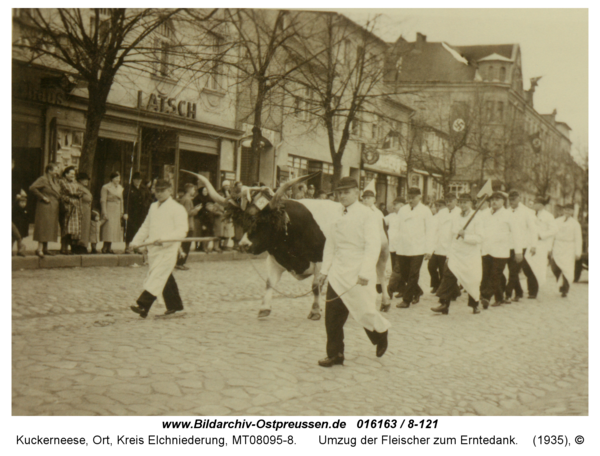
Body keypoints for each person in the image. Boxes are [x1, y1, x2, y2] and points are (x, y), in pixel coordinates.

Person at [316, 177, 391, 367]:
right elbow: (330, 245)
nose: (342, 196)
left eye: (346, 192)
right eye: (339, 192)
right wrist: (324, 271)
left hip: (359, 271)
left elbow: (372, 245)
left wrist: (365, 272)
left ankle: (381, 333)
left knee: (364, 311)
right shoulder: (336, 215)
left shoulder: (367, 215)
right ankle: (335, 354)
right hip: (338, 272)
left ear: (356, 192)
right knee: (332, 317)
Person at [129, 179, 189, 318]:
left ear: (170, 191)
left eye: (163, 190)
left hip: (168, 249)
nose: (160, 193)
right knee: (164, 277)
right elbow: (146, 226)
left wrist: (165, 239)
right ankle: (175, 306)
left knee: (157, 276)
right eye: (157, 190)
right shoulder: (153, 207)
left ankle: (142, 305)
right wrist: (135, 242)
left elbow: (182, 231)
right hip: (153, 249)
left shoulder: (177, 208)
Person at [431, 194, 483, 315]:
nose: (463, 205)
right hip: (456, 252)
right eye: (461, 202)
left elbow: (480, 238)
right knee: (448, 276)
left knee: (472, 280)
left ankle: (475, 304)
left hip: (470, 254)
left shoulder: (477, 217)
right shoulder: (456, 217)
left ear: (471, 203)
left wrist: (466, 235)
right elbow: (451, 236)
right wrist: (449, 254)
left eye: (466, 202)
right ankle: (444, 304)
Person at [480, 192, 525, 308]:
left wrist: (518, 251)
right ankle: (499, 298)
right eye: (492, 199)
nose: (494, 202)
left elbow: (517, 234)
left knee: (495, 274)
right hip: (486, 249)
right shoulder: (485, 214)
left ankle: (486, 296)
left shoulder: (509, 215)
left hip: (501, 251)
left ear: (503, 201)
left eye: (497, 199)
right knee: (486, 275)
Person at [394, 187, 434, 308]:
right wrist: (396, 244)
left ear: (419, 197)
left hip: (418, 248)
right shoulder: (402, 210)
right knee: (405, 274)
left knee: (413, 274)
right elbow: (398, 228)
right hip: (403, 247)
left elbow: (430, 231)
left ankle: (406, 300)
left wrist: (429, 249)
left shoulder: (425, 211)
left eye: (413, 198)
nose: (410, 200)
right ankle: (417, 291)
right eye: (409, 197)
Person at [29, 163, 61, 258]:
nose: (57, 172)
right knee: (43, 227)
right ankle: (39, 249)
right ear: (49, 171)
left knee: (49, 228)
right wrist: (42, 197)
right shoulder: (43, 179)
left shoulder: (55, 180)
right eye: (55, 170)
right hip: (45, 207)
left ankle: (45, 248)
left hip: (53, 207)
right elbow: (32, 188)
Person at [550, 204, 582, 298]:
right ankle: (560, 282)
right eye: (565, 210)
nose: (567, 212)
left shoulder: (575, 224)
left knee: (567, 269)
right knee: (554, 267)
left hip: (569, 247)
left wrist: (578, 252)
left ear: (572, 212)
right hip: (558, 246)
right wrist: (550, 248)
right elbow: (552, 234)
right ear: (563, 211)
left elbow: (578, 239)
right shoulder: (556, 221)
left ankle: (565, 289)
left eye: (569, 210)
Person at [428, 199, 453, 294]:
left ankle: (443, 288)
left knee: (443, 270)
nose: (437, 208)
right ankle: (435, 284)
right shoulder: (436, 217)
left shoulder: (449, 216)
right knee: (431, 266)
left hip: (445, 248)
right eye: (436, 206)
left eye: (439, 206)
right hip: (436, 247)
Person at [175, 183, 201, 270]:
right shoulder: (187, 200)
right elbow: (187, 213)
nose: (194, 191)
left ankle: (180, 262)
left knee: (184, 244)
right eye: (193, 189)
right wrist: (196, 210)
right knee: (186, 245)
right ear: (189, 190)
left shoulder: (184, 199)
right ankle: (180, 263)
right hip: (188, 225)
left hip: (185, 225)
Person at [58, 166, 83, 255]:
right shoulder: (61, 182)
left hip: (75, 207)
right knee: (65, 227)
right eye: (71, 174)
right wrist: (71, 197)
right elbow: (62, 194)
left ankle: (67, 248)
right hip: (66, 207)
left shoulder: (75, 182)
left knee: (71, 229)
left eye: (73, 174)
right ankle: (63, 247)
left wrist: (76, 195)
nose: (73, 175)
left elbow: (80, 192)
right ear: (66, 174)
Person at [384, 197, 406, 302]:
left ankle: (389, 290)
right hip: (392, 247)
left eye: (396, 204)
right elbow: (382, 222)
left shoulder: (405, 216)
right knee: (397, 270)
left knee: (397, 271)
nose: (393, 207)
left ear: (401, 206)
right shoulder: (391, 216)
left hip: (402, 248)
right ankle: (404, 290)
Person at [124, 172, 151, 253]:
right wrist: (125, 212)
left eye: (139, 180)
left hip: (141, 213)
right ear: (133, 180)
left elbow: (148, 199)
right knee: (130, 230)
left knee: (139, 229)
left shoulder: (144, 188)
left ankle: (137, 246)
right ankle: (128, 247)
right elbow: (125, 201)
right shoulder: (128, 188)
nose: (138, 181)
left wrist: (145, 205)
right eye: (136, 180)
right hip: (132, 212)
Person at [100, 172, 125, 254]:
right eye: (116, 178)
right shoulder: (106, 187)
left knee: (114, 229)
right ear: (112, 179)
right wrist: (104, 212)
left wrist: (122, 211)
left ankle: (109, 247)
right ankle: (104, 247)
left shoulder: (120, 188)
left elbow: (121, 200)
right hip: (109, 207)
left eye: (119, 178)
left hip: (117, 209)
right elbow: (103, 200)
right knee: (108, 228)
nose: (118, 180)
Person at [74, 172, 93, 254]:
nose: (86, 181)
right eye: (84, 180)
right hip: (81, 208)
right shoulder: (77, 187)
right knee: (81, 227)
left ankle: (84, 245)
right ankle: (79, 245)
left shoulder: (84, 188)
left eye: (87, 180)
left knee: (85, 228)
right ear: (79, 180)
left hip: (86, 209)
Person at [193, 186, 214, 253]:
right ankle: (198, 246)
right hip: (199, 217)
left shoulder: (209, 198)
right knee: (199, 233)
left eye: (206, 191)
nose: (205, 192)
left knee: (207, 233)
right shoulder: (197, 198)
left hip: (208, 218)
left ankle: (204, 246)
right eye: (204, 191)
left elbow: (212, 206)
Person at [216, 180, 235, 251]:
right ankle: (218, 245)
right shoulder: (219, 193)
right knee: (221, 231)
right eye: (225, 185)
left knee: (228, 230)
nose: (227, 187)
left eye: (228, 185)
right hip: (222, 212)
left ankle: (225, 245)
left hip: (228, 213)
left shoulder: (230, 193)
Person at [12, 191, 29, 256]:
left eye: (25, 202)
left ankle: (20, 251)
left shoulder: (25, 210)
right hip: (16, 226)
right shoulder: (15, 209)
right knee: (12, 239)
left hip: (22, 227)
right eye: (21, 202)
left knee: (20, 239)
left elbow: (27, 219)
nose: (23, 204)